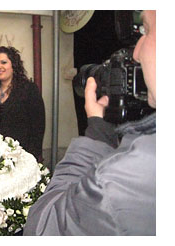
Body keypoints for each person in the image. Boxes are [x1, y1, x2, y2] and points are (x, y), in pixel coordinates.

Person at [24, 10, 156, 236]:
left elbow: (42, 229)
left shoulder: (124, 178)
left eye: (148, 30)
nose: (137, 52)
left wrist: (96, 133)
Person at [0, 46, 45, 162]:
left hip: (21, 156)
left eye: (3, 62)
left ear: (13, 65)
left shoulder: (29, 90)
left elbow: (38, 127)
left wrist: (31, 156)